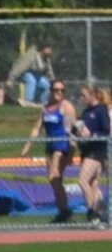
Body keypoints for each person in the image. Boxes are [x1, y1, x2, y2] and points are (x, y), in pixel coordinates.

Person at [23, 79, 79, 221]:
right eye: (56, 90)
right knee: (54, 181)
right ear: (51, 91)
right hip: (50, 147)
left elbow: (73, 130)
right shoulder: (46, 108)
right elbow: (37, 128)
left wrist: (72, 152)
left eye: (62, 90)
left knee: (54, 176)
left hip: (62, 146)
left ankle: (65, 211)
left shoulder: (66, 107)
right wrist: (27, 146)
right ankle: (63, 211)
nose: (59, 93)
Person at [77, 82, 109, 224]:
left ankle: (93, 213)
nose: (81, 98)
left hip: (97, 152)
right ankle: (104, 212)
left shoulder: (101, 110)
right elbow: (80, 130)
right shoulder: (85, 112)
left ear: (92, 95)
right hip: (87, 151)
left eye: (83, 95)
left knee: (82, 180)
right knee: (93, 185)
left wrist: (92, 134)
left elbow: (106, 130)